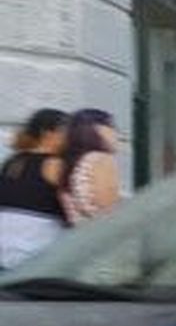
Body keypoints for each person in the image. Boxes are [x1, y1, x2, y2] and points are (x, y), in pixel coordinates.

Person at [0, 108, 69, 268]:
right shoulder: (55, 164)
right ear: (48, 133)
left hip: (6, 245)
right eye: (66, 131)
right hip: (36, 246)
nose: (71, 138)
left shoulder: (14, 161)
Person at [61, 109, 121, 226]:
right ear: (98, 129)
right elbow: (108, 208)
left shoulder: (71, 162)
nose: (117, 134)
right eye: (112, 127)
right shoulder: (101, 159)